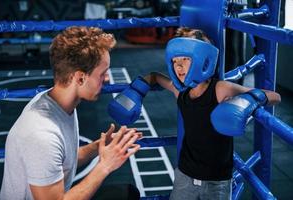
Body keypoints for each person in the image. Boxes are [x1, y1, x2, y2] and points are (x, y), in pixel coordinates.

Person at [108, 27, 281, 199]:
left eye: (186, 58)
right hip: (185, 175)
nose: (179, 66)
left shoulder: (220, 89)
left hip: (217, 181)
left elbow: (274, 96)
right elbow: (156, 76)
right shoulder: (181, 91)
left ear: (204, 59)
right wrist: (140, 87)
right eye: (175, 60)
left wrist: (248, 101)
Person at [0, 26, 141, 200]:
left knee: (127, 194)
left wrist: (99, 147)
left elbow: (66, 160)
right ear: (80, 78)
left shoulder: (59, 103)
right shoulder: (41, 134)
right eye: (102, 73)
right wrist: (105, 166)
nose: (108, 79)